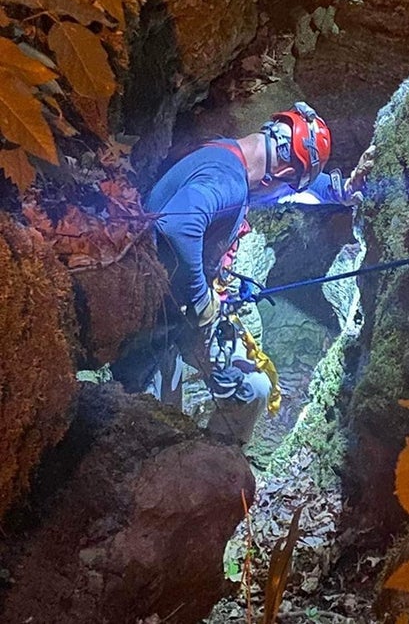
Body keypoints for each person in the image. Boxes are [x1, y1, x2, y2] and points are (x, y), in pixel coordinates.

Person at [113, 102, 361, 444]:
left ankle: (197, 460)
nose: (286, 194)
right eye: (291, 185)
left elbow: (288, 195)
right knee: (231, 397)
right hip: (160, 320)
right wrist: (202, 300)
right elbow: (177, 224)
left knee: (217, 396)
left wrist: (337, 192)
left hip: (168, 311)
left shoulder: (231, 158)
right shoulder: (228, 181)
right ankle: (209, 469)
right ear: (285, 174)